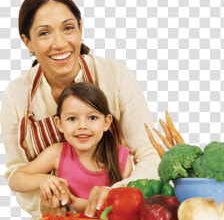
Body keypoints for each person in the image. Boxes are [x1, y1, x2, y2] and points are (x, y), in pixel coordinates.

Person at [1, 0, 160, 219]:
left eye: (68, 28)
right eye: (44, 33)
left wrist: (114, 195)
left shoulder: (115, 76)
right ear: (27, 42)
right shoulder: (16, 95)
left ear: (80, 29)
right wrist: (50, 199)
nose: (59, 43)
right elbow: (16, 173)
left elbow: (150, 155)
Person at [8, 82, 133, 216]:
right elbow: (15, 180)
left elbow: (126, 208)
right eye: (72, 118)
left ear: (106, 122)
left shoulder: (121, 157)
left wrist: (77, 203)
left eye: (92, 117)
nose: (82, 126)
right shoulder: (57, 153)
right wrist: (42, 180)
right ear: (59, 124)